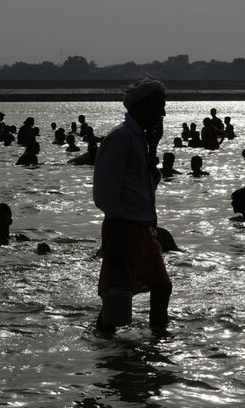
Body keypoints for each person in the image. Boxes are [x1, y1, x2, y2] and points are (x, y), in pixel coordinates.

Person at [93, 76, 172, 331]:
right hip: (123, 228)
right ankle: (104, 349)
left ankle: (157, 345)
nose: (163, 111)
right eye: (159, 105)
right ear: (142, 106)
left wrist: (153, 148)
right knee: (116, 302)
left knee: (161, 287)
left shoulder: (140, 139)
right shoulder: (120, 138)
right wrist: (114, 240)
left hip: (144, 228)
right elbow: (105, 191)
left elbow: (147, 186)